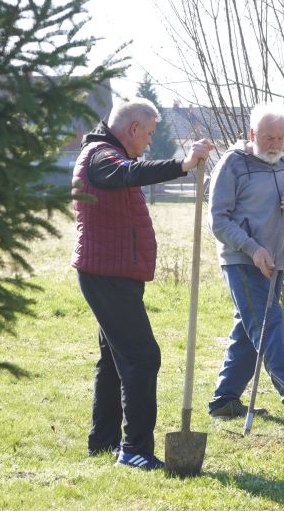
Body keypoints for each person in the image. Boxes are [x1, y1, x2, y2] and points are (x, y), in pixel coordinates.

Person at [71, 97, 213, 470]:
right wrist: (182, 165)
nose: (149, 142)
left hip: (113, 275)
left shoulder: (104, 154)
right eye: (148, 134)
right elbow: (130, 172)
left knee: (115, 358)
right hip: (107, 278)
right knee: (142, 356)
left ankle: (103, 442)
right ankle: (134, 449)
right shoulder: (101, 157)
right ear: (133, 129)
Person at [207, 102, 284, 422]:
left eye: (281, 138)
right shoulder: (233, 164)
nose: (275, 145)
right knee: (269, 325)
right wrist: (252, 249)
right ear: (252, 134)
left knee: (250, 334)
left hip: (276, 263)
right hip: (244, 261)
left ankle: (224, 401)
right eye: (268, 138)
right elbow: (218, 221)